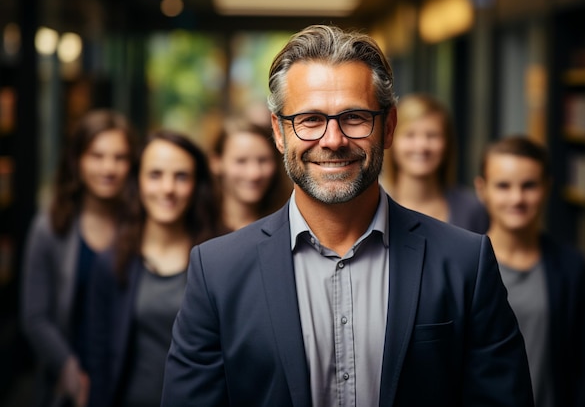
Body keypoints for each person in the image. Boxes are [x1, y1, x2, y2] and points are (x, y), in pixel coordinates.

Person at [162, 24, 533, 406]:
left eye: (354, 117)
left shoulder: (465, 263)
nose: (333, 140)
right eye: (309, 119)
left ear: (388, 127)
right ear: (278, 132)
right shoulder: (217, 272)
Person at [87, 131, 220, 407]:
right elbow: (97, 359)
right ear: (137, 181)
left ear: (197, 185)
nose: (168, 188)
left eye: (181, 176)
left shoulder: (222, 258)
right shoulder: (112, 262)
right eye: (155, 175)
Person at [474, 135, 585, 407]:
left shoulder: (572, 268)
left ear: (547, 187)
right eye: (503, 186)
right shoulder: (460, 266)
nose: (517, 198)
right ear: (481, 189)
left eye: (529, 186)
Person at [20, 109, 138, 407]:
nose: (108, 168)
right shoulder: (49, 227)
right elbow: (35, 316)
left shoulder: (141, 225)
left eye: (120, 157)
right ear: (77, 161)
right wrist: (68, 368)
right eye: (96, 156)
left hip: (131, 374)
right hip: (68, 377)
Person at [381, 93, 489, 233]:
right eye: (410, 135)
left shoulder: (472, 210)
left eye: (432, 135)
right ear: (391, 142)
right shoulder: (373, 206)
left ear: (447, 144)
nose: (421, 146)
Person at [209, 114, 292, 232]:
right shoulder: (198, 225)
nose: (254, 174)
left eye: (263, 160)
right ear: (216, 162)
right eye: (241, 161)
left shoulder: (290, 223)